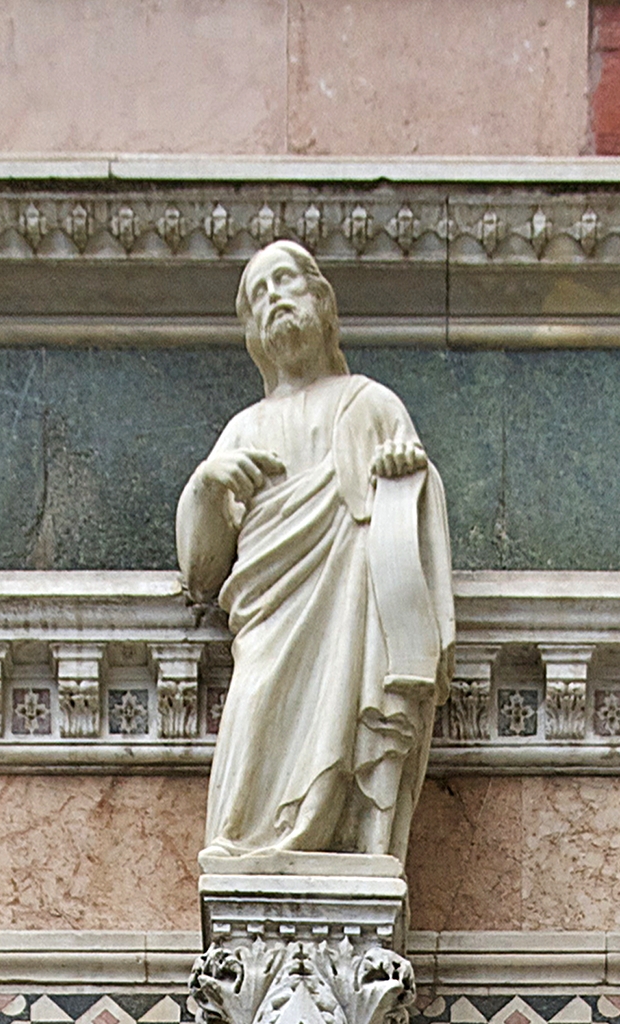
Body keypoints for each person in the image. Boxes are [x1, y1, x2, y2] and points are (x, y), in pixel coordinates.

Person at [177, 240, 453, 865]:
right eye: (258, 295)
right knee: (256, 698)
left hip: (348, 614)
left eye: (285, 283)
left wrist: (404, 474)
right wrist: (207, 486)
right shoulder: (244, 428)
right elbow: (202, 572)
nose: (273, 298)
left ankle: (337, 824)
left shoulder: (371, 404)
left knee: (339, 711)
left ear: (323, 303)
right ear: (251, 331)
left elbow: (408, 496)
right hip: (271, 619)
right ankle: (247, 833)